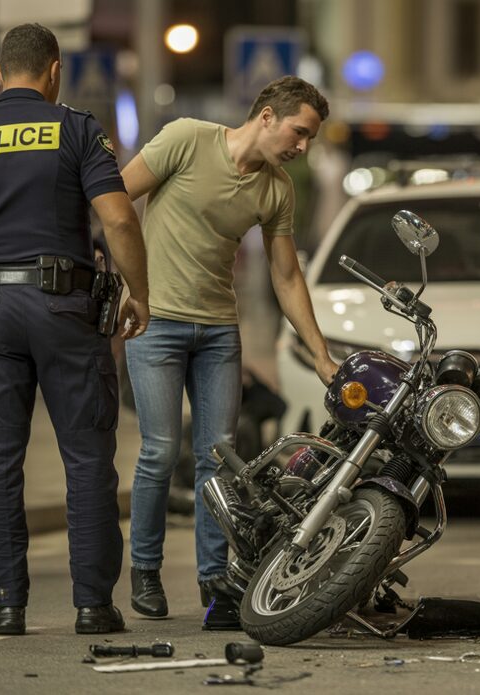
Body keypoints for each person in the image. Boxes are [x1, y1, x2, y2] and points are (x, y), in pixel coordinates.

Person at [0, 23, 150, 637]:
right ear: (54, 71)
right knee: (86, 461)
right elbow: (120, 220)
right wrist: (139, 293)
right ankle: (93, 607)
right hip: (65, 311)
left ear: (0, 73)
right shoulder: (76, 130)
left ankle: (6, 606)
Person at [120, 76, 338, 630]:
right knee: (161, 450)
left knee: (220, 458)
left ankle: (214, 582)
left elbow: (286, 275)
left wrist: (319, 352)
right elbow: (117, 202)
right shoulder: (187, 139)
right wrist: (125, 285)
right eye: (299, 132)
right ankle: (144, 568)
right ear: (267, 115)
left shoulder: (277, 189)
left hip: (218, 331)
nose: (302, 146)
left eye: (310, 138)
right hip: (157, 323)